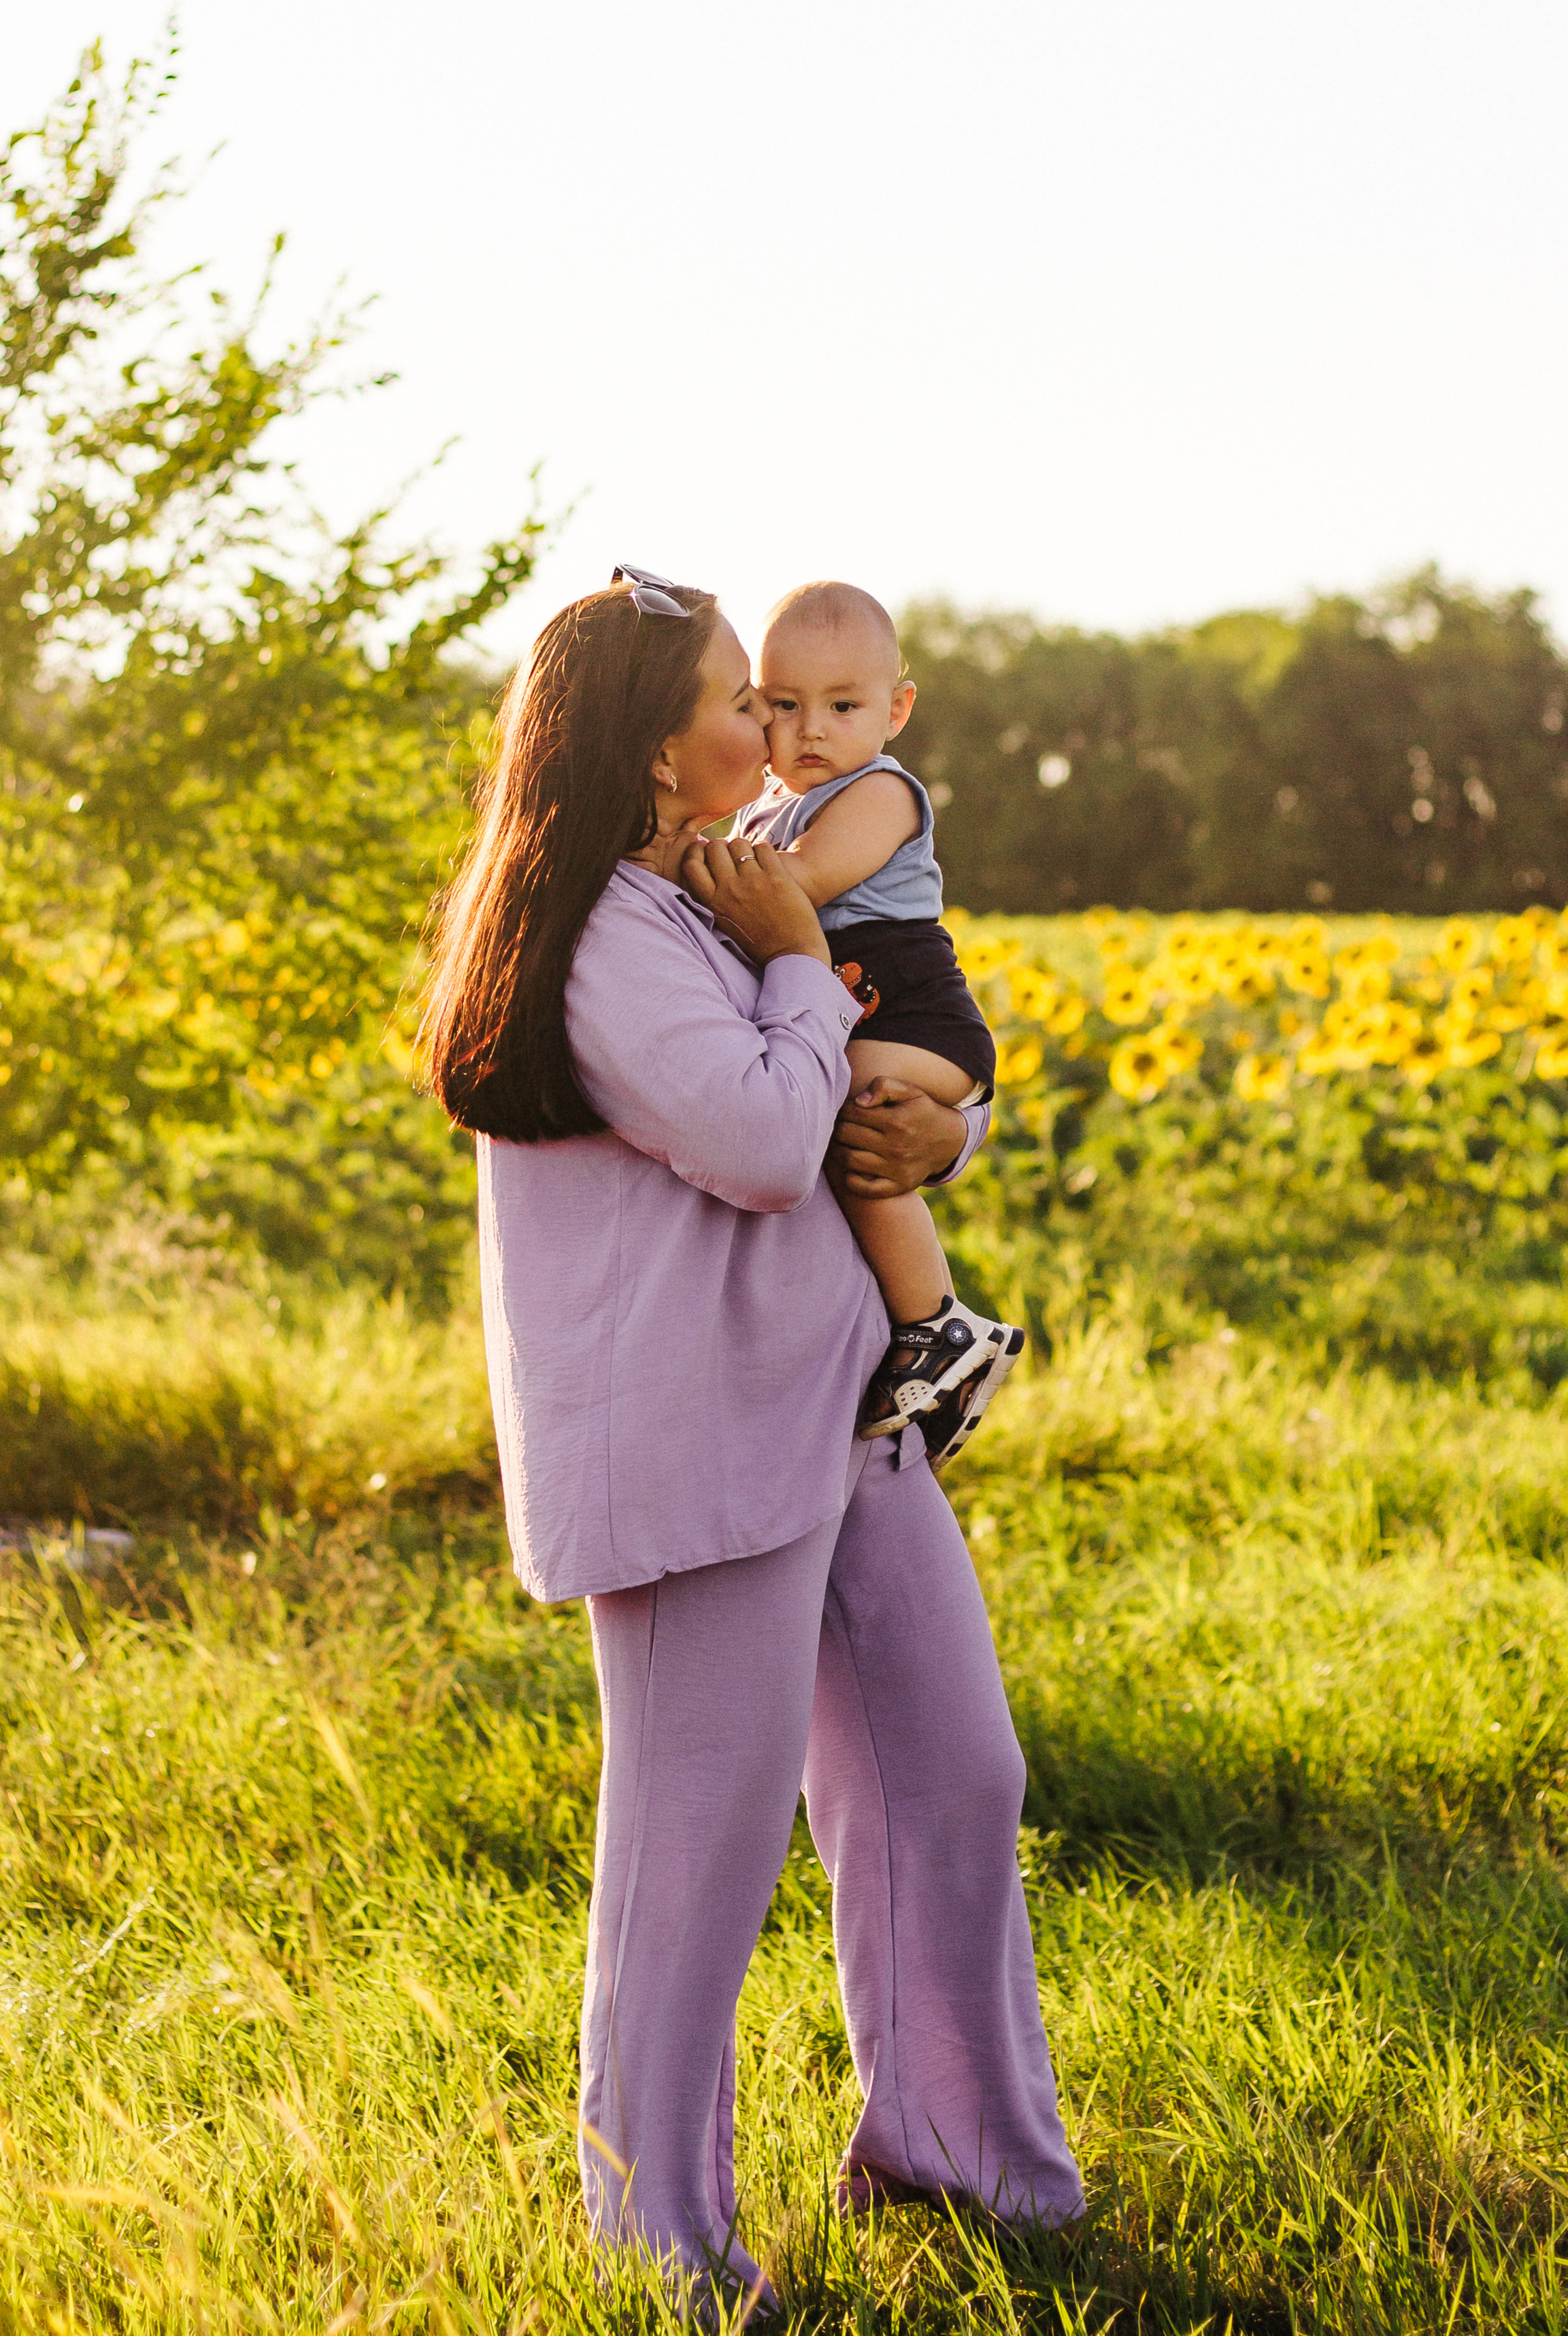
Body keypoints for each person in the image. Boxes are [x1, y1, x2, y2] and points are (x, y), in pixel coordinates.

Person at [421, 566, 1084, 2318]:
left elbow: (871, 1069)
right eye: (739, 700)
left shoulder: (717, 884)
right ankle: (661, 2247)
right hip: (694, 1446)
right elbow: (764, 1137)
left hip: (838, 1400)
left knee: (955, 1771)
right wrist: (796, 960)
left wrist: (942, 1130)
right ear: (656, 750)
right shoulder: (604, 933)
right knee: (694, 1855)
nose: (772, 727)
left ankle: (959, 2153)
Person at [735, 578, 1024, 1459]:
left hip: (917, 1018)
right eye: (785, 705)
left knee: (844, 1109)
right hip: (870, 1014)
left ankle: (940, 1321)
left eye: (843, 705)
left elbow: (801, 882)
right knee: (848, 1134)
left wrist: (680, 865)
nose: (811, 730)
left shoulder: (881, 793)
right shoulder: (761, 812)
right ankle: (932, 1330)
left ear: (896, 710)